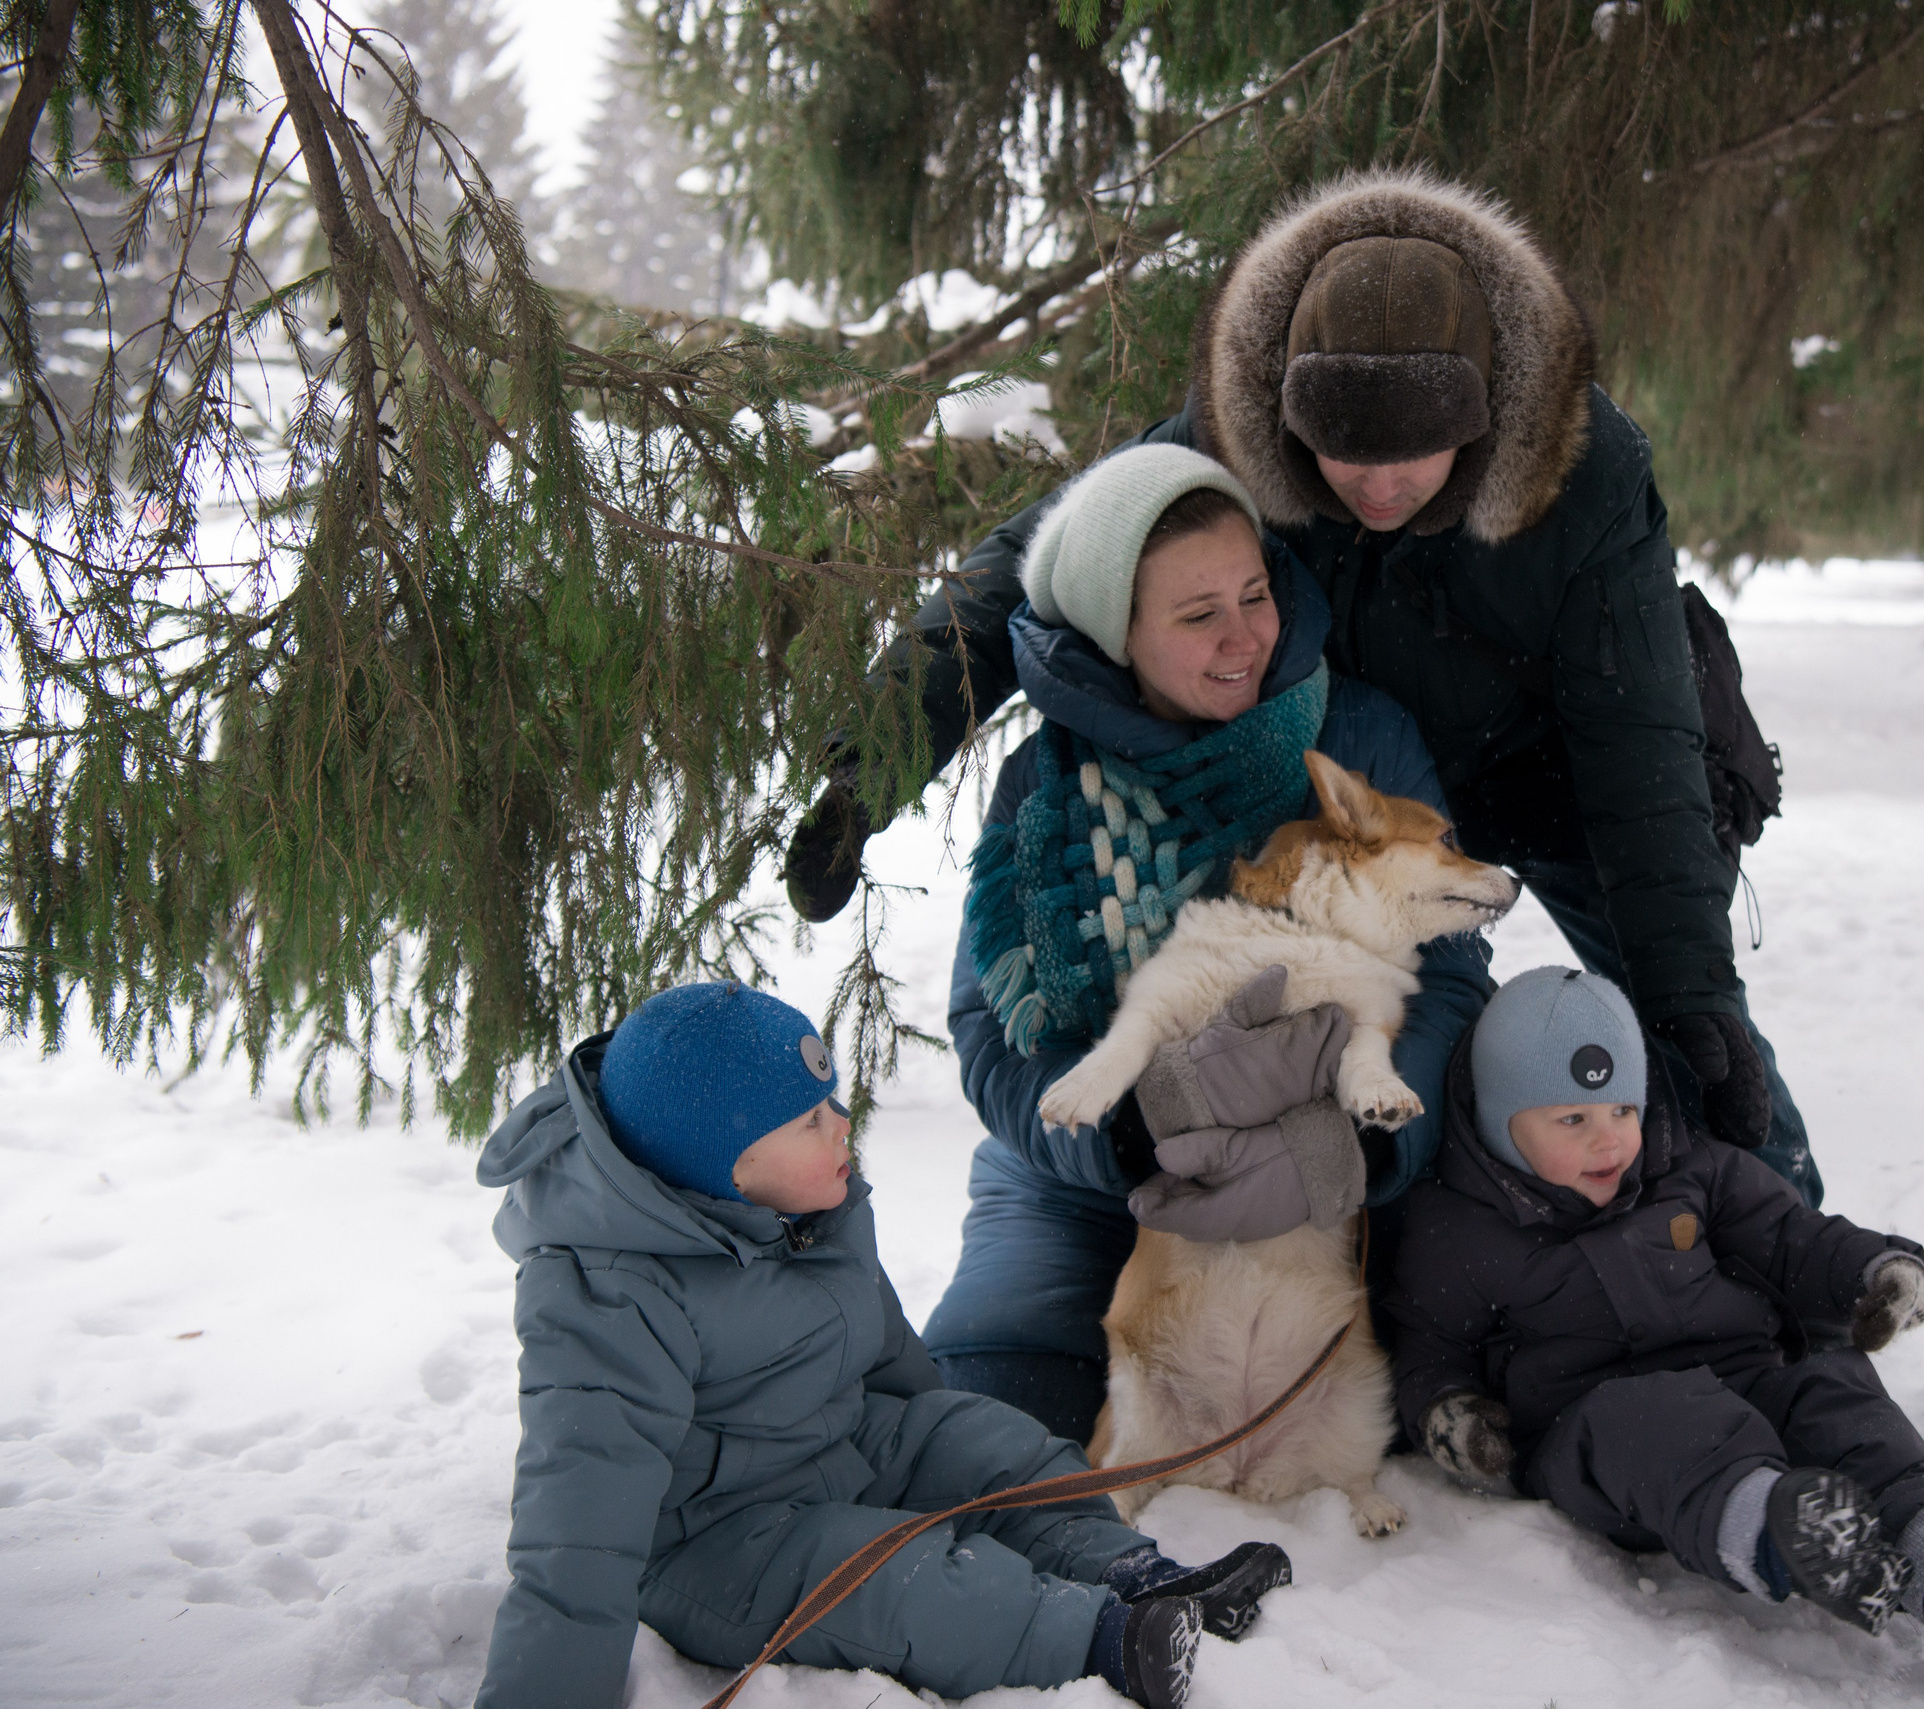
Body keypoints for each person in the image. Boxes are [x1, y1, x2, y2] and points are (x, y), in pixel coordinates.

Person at [785, 166, 1823, 1209]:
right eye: (1342, 454)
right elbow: (1036, 561)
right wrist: (873, 761)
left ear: (1482, 412)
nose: (1376, 488)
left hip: (1550, 772)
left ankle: (1789, 1234)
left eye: (1413, 454)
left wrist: (1691, 992)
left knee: (1694, 1034)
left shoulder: (1585, 467)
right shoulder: (1230, 431)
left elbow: (1636, 734)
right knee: (1379, 1017)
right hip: (1359, 781)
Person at [472, 980, 1292, 1709]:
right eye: (810, 1118)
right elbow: (576, 1531)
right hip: (715, 1540)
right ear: (726, 1165)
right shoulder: (608, 1295)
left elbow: (886, 1348)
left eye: (833, 1099)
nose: (843, 1125)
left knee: (994, 1442)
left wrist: (945, 1451)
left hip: (838, 1443)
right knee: (890, 1583)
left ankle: (1129, 1570)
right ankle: (1101, 1637)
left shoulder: (808, 1206)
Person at [921, 443, 1494, 1441]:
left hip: (1328, 1166)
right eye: (1197, 616)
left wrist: (1355, 1142)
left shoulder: (1354, 736)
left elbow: (1445, 973)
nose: (1245, 640)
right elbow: (992, 1032)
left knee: (1463, 1331)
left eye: (1254, 593)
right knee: (999, 1399)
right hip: (1092, 1176)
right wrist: (1130, 1144)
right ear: (1119, 634)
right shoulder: (1045, 794)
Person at [1385, 967, 1924, 1689]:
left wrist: (1872, 1267)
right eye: (1573, 1120)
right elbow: (1425, 1342)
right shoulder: (1456, 1229)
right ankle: (1782, 1538)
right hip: (1597, 1426)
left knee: (1835, 1387)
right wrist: (1450, 1412)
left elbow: (1792, 1234)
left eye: (1623, 1110)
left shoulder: (1691, 1166)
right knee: (1656, 1419)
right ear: (1499, 1123)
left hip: (1745, 1376)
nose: (1609, 1142)